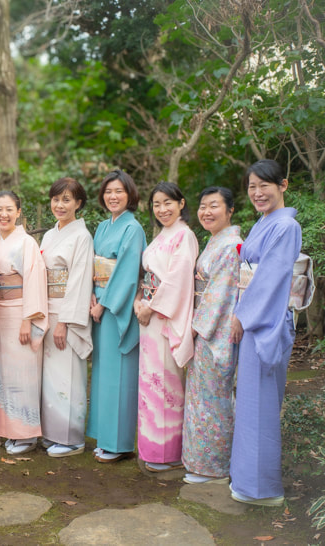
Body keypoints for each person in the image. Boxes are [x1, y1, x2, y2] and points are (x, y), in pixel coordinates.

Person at [230, 159, 301, 506]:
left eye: (265, 186)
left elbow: (271, 278)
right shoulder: (264, 222)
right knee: (249, 402)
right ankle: (246, 481)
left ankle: (263, 489)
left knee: (260, 402)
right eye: (252, 187)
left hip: (265, 321)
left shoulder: (286, 227)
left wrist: (242, 316)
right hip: (253, 317)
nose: (257, 193)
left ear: (283, 185)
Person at [134, 182, 198, 472]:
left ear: (181, 203)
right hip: (148, 314)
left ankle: (168, 453)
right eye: (157, 204)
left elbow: (178, 279)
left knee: (166, 383)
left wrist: (151, 306)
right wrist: (139, 301)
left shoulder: (184, 236)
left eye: (168, 203)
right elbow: (148, 275)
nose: (162, 209)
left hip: (162, 316)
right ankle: (150, 448)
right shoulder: (161, 235)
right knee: (150, 384)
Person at [182, 187, 241, 484]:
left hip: (215, 330)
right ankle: (200, 463)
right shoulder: (214, 242)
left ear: (230, 210)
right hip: (204, 326)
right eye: (203, 206)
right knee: (199, 398)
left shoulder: (232, 246)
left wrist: (194, 327)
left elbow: (219, 296)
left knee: (214, 399)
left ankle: (215, 467)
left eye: (214, 206)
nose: (206, 212)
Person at [87, 170, 146, 463]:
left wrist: (103, 303)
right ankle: (105, 437)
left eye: (119, 191)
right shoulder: (101, 227)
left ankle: (120, 443)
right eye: (109, 191)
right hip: (99, 302)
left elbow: (127, 273)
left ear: (130, 194)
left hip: (116, 308)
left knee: (119, 375)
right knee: (103, 373)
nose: (113, 196)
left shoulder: (133, 229)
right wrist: (91, 294)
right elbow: (94, 265)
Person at [0, 190, 48, 455]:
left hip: (19, 312)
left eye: (9, 209)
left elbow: (35, 281)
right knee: (1, 373)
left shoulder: (27, 244)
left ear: (19, 212)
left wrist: (28, 318)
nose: (4, 215)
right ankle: (8, 429)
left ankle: (26, 434)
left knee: (23, 373)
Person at [39, 178, 94, 458]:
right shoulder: (49, 235)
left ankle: (72, 438)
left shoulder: (82, 237)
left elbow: (79, 281)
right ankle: (53, 432)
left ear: (78, 204)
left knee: (68, 374)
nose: (59, 205)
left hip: (66, 313)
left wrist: (64, 322)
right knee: (51, 375)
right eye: (56, 199)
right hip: (47, 308)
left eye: (66, 200)